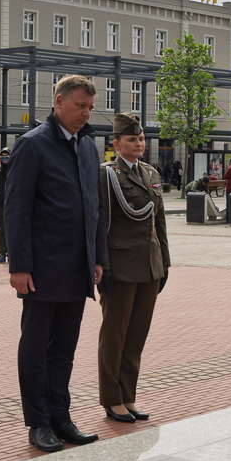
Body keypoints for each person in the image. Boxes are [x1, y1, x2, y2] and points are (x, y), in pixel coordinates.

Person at [5, 74, 105, 453]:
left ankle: (61, 418)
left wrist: (97, 258)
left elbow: (95, 207)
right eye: (80, 105)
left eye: (91, 107)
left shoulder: (88, 146)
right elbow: (17, 210)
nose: (86, 113)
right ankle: (39, 423)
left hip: (78, 265)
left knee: (64, 348)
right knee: (36, 347)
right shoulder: (32, 146)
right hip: (42, 267)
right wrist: (19, 265)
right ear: (59, 102)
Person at [96, 112, 170, 423]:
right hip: (121, 267)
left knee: (137, 335)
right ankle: (112, 400)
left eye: (140, 139)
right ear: (116, 144)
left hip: (149, 266)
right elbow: (99, 224)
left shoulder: (150, 172)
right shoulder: (106, 175)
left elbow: (159, 223)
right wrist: (103, 265)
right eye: (131, 139)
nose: (138, 143)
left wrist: (164, 262)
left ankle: (128, 396)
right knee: (115, 334)